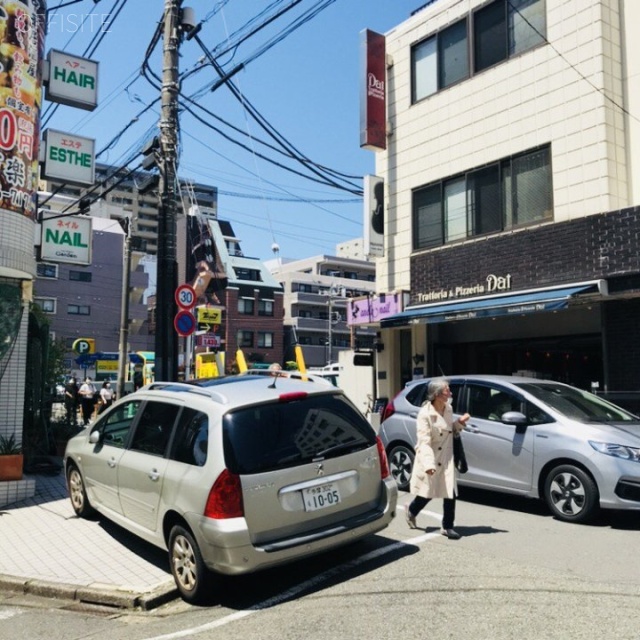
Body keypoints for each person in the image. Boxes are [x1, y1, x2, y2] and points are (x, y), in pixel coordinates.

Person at [405, 378, 470, 539]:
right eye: (447, 390)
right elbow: (423, 442)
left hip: (447, 456)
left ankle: (447, 526)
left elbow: (449, 430)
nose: (450, 393)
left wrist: (459, 423)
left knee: (450, 493)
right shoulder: (425, 414)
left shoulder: (448, 408)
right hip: (431, 457)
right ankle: (412, 510)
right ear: (437, 394)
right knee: (428, 492)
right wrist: (428, 464)